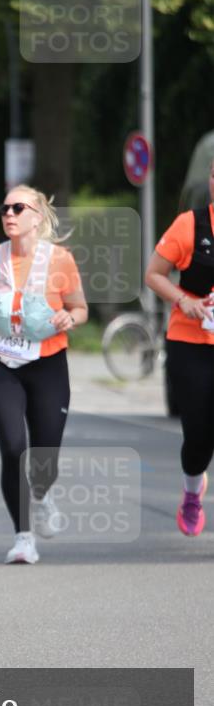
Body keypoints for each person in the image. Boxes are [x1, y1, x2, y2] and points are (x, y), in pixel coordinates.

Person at [0, 185, 87, 565]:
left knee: (45, 455)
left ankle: (42, 495)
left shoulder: (60, 260)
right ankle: (23, 537)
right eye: (4, 208)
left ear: (37, 217)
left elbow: (80, 309)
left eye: (18, 207)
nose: (8, 214)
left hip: (48, 364)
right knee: (13, 450)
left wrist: (69, 317)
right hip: (3, 363)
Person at [145, 160, 214, 536]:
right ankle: (192, 489)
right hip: (191, 341)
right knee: (199, 435)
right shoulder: (191, 225)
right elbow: (154, 274)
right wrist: (183, 300)